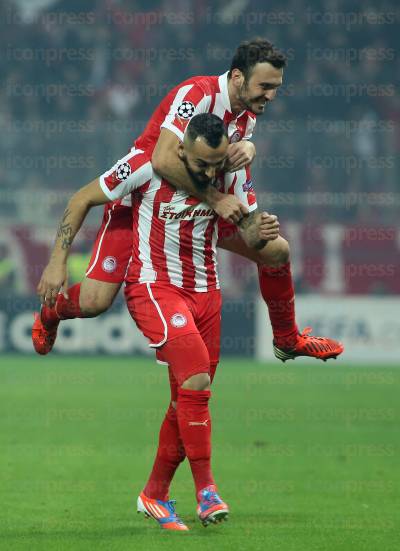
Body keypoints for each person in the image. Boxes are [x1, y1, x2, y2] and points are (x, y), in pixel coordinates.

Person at [36, 113, 280, 530]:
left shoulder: (228, 173)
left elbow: (251, 235)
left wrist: (263, 229)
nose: (208, 173)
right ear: (180, 149)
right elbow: (81, 198)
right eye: (200, 163)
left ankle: (155, 494)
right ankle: (207, 491)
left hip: (207, 292)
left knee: (186, 400)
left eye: (214, 164)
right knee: (195, 380)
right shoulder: (146, 166)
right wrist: (57, 262)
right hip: (155, 287)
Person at [32, 38, 343, 363]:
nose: (271, 95)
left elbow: (229, 162)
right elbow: (163, 160)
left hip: (197, 209)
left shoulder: (246, 113)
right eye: (265, 85)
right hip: (142, 204)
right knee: (95, 301)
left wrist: (250, 153)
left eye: (276, 87)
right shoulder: (196, 94)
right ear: (238, 77)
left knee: (276, 250)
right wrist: (217, 198)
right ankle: (52, 311)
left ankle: (287, 340)